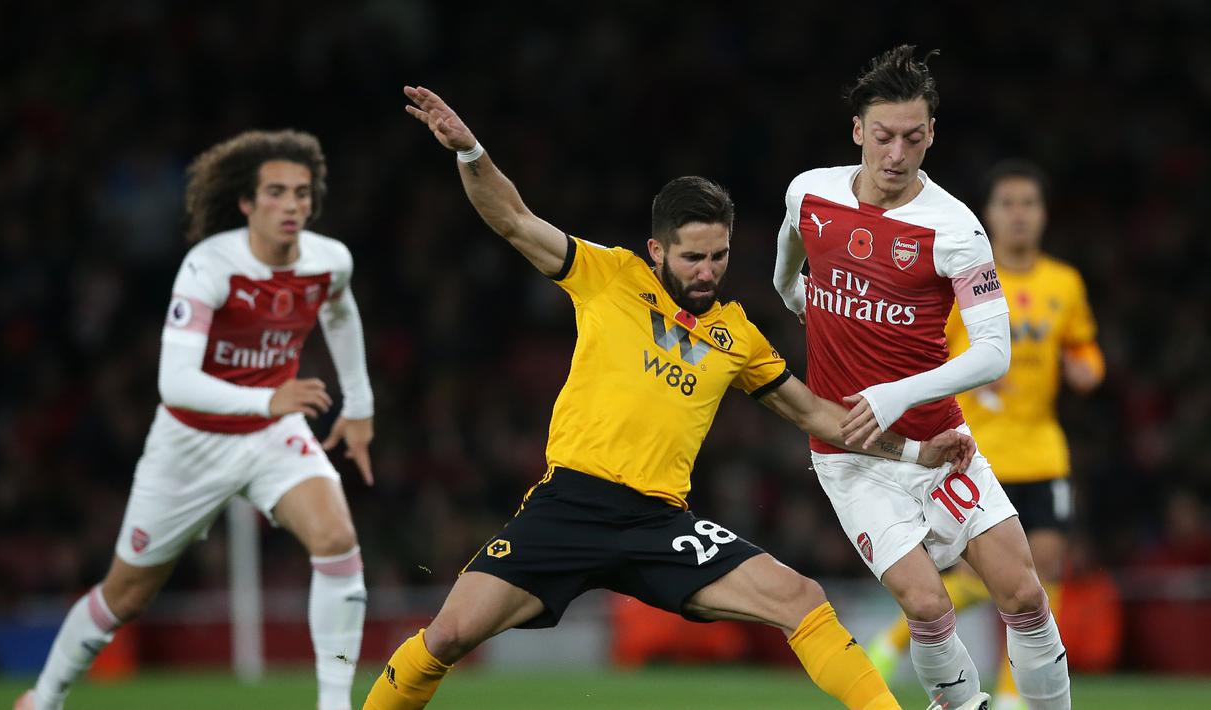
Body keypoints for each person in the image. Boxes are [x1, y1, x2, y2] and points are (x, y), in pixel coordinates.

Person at [363, 84, 981, 710]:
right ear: (657, 250)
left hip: (659, 524)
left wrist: (914, 452)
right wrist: (471, 151)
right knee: (447, 634)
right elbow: (514, 219)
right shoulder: (608, 277)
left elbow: (816, 412)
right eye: (692, 258)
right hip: (569, 506)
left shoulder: (737, 334)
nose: (707, 271)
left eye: (719, 256)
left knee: (803, 600)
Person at [16, 130, 375, 710]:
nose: (292, 205)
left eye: (302, 194)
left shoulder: (329, 261)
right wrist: (268, 399)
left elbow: (341, 309)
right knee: (124, 596)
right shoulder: (210, 266)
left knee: (337, 539)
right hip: (190, 443)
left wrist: (359, 407)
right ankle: (44, 698)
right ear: (247, 203)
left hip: (271, 436)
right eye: (277, 192)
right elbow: (175, 382)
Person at [772, 46, 1070, 710]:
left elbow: (993, 354)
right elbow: (789, 247)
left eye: (912, 137)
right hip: (850, 455)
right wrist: (788, 292)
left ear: (930, 133)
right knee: (926, 603)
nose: (896, 153)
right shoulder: (809, 190)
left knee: (1023, 595)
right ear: (857, 131)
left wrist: (894, 393)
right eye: (882, 136)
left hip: (939, 444)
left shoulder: (955, 229)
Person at [866, 160, 1105, 709]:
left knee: (1042, 572)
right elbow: (931, 350)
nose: (1019, 215)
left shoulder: (1063, 284)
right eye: (1008, 204)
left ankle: (1013, 694)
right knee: (990, 577)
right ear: (988, 214)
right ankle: (897, 638)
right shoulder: (966, 277)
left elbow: (1083, 345)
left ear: (1043, 215)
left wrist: (1087, 366)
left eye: (1029, 204)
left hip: (1043, 450)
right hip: (975, 449)